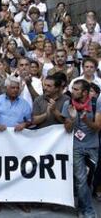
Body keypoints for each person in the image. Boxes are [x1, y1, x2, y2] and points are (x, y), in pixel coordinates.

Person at [62, 79, 101, 218]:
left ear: (85, 92)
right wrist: (72, 119)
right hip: (76, 147)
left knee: (88, 180)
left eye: (76, 90)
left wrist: (86, 121)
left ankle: (82, 207)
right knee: (80, 180)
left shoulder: (96, 103)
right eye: (72, 89)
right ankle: (89, 210)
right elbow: (67, 129)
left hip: (93, 147)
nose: (73, 92)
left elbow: (97, 127)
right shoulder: (68, 104)